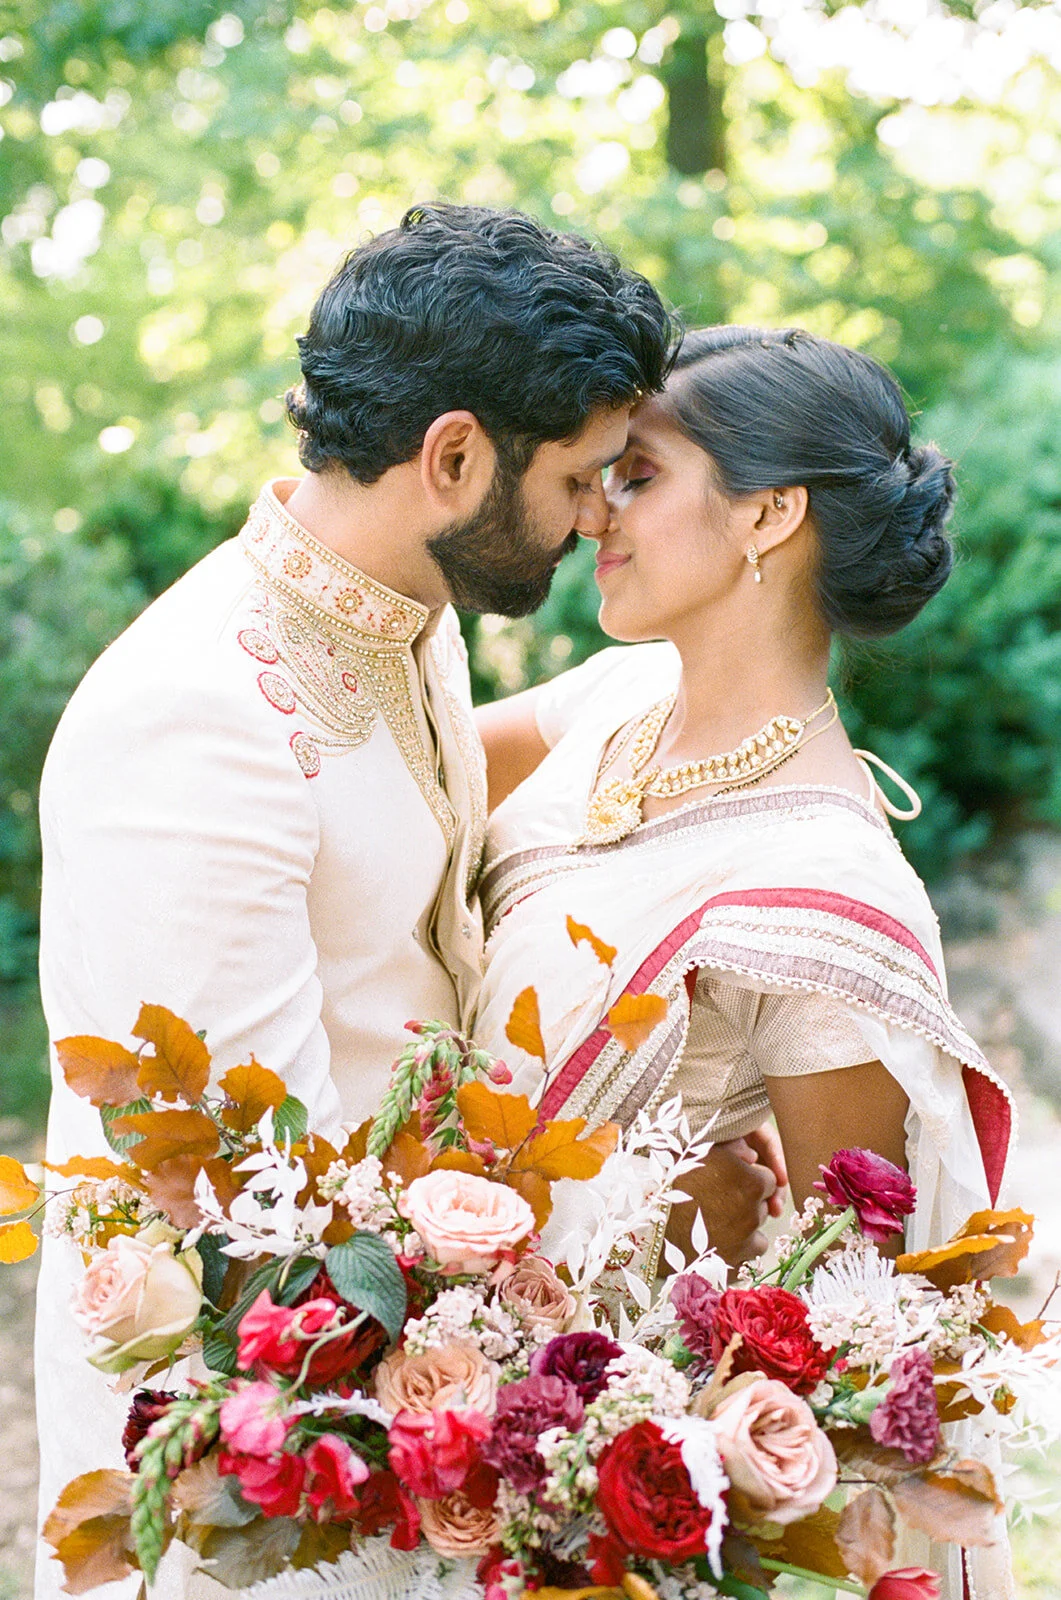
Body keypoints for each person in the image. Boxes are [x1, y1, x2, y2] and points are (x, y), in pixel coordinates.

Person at [34, 204, 677, 1600]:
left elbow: (414, 803)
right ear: (453, 456)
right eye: (579, 477)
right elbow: (255, 1210)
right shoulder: (193, 722)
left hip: (412, 1394)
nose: (594, 516)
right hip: (264, 1459)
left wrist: (698, 685)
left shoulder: (396, 613)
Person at [472, 325, 1014, 1600]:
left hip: (597, 1459)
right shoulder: (605, 702)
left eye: (640, 475)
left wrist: (663, 1205)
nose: (593, 509)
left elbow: (836, 1313)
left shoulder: (826, 891)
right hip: (443, 1379)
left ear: (769, 514)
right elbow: (392, 778)